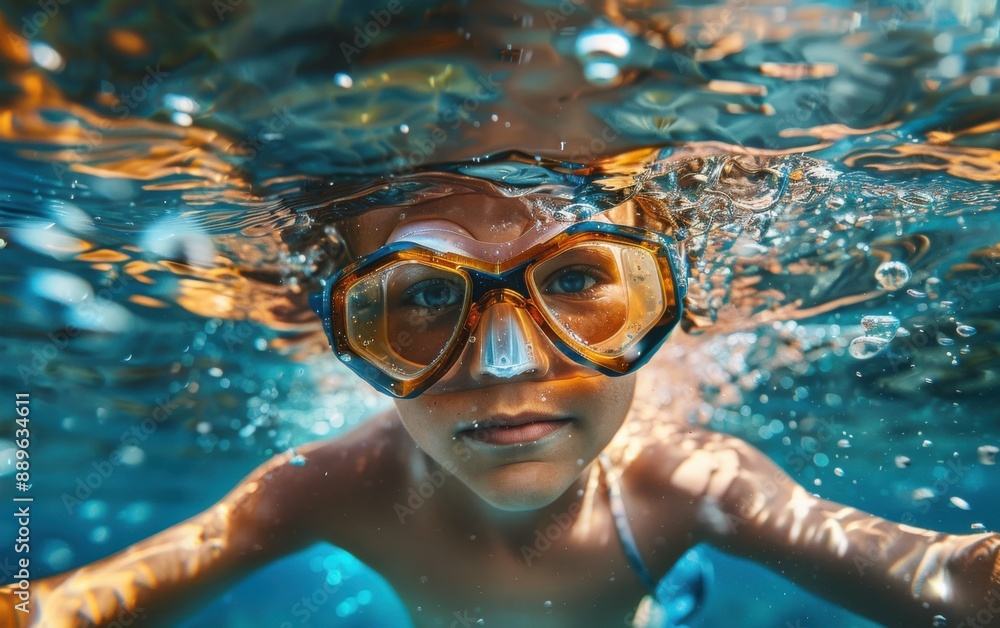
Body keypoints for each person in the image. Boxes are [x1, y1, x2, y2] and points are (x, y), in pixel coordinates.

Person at [3, 176, 999, 628]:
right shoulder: (324, 484)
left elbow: (937, 576)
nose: (505, 364)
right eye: (422, 299)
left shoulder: (689, 478)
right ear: (354, 340)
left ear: (657, 308)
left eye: (576, 283)